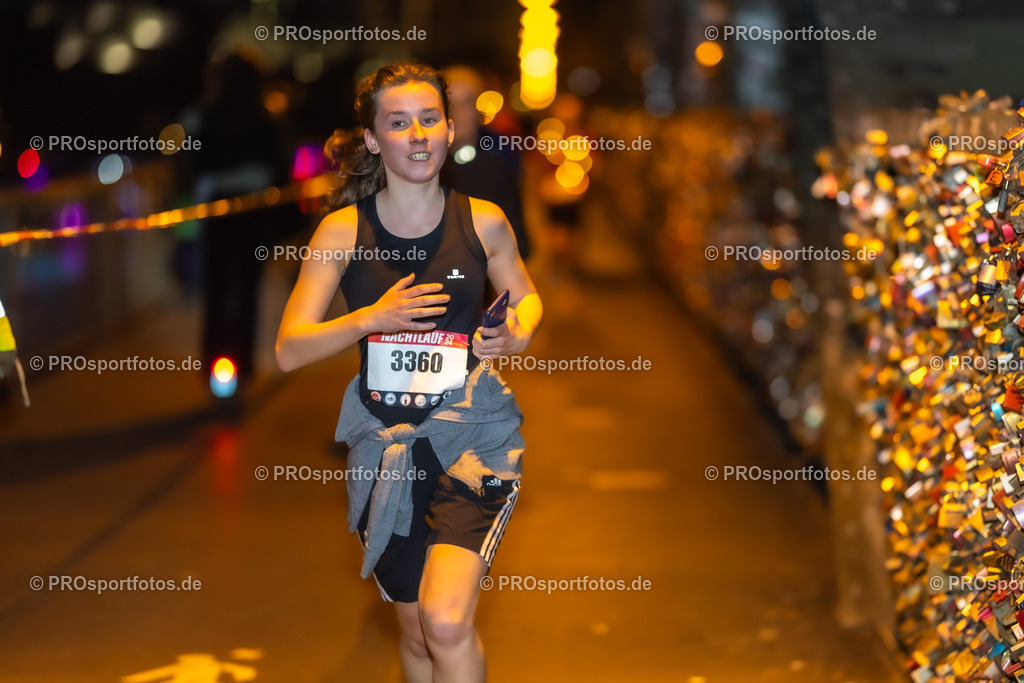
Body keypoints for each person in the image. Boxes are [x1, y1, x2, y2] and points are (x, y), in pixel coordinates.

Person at [275, 62, 542, 683]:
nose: (418, 135)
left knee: (445, 622)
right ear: (373, 140)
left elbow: (528, 298)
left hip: (474, 441)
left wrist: (517, 330)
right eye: (398, 123)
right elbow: (289, 349)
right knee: (418, 634)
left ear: (450, 129)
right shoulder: (342, 231)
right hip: (388, 452)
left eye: (429, 119)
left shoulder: (483, 220)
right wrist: (372, 318)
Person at [439, 65, 531, 261]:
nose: (457, 113)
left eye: (466, 103)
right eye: (449, 104)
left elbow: (519, 243)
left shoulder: (497, 166)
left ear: (478, 111)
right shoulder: (424, 169)